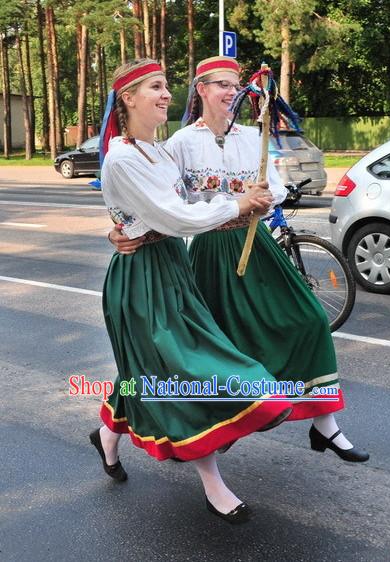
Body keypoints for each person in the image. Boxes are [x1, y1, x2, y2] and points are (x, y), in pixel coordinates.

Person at [109, 56, 369, 463]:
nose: (232, 93)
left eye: (236, 86)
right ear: (201, 90)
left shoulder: (252, 137)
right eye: (222, 85)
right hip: (211, 250)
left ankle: (325, 426)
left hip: (256, 242)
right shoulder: (179, 144)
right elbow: (155, 202)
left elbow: (276, 188)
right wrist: (116, 230)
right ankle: (157, 423)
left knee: (308, 319)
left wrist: (265, 197)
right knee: (200, 349)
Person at [90, 58, 294, 525]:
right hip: (141, 280)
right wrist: (236, 204)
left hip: (171, 267)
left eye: (166, 87)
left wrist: (249, 195)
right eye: (156, 88)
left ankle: (107, 434)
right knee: (183, 368)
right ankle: (214, 483)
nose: (166, 95)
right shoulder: (121, 157)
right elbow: (175, 217)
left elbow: (178, 206)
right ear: (128, 98)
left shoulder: (157, 151)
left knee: (146, 372)